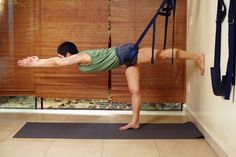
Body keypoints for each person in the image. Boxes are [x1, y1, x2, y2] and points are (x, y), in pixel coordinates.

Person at [18, 41, 205, 131]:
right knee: (135, 90)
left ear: (68, 55)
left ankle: (197, 57)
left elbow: (57, 63)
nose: (60, 59)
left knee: (162, 55)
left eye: (61, 56)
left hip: (125, 53)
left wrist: (34, 63)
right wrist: (39, 60)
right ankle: (136, 121)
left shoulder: (82, 57)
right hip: (125, 59)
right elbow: (56, 61)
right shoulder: (78, 61)